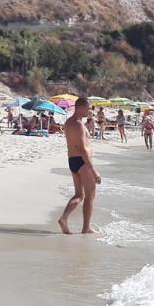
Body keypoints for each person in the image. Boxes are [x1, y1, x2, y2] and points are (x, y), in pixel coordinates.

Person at [58, 97, 100, 235]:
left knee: (79, 194)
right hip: (83, 162)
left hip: (72, 160)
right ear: (80, 107)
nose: (89, 111)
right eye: (88, 108)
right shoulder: (78, 125)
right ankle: (86, 228)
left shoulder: (68, 122)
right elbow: (82, 149)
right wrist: (94, 171)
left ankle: (64, 218)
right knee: (89, 196)